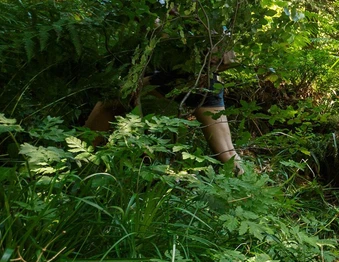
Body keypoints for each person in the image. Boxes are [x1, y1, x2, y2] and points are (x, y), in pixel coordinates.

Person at [86, 50, 244, 173]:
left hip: (184, 81)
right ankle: (247, 188)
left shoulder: (194, 18)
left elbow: (229, 60)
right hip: (207, 83)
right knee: (227, 152)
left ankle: (84, 157)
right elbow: (230, 61)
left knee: (119, 95)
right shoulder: (216, 20)